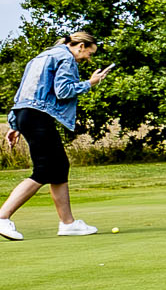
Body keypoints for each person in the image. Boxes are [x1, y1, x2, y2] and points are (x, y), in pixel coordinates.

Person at [1, 31, 114, 241]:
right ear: (80, 46)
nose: (88, 58)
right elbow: (63, 91)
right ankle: (2, 216)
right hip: (38, 117)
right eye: (89, 53)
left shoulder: (42, 56)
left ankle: (68, 223)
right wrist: (90, 83)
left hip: (27, 115)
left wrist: (15, 123)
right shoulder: (66, 58)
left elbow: (23, 93)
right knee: (44, 170)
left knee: (60, 167)